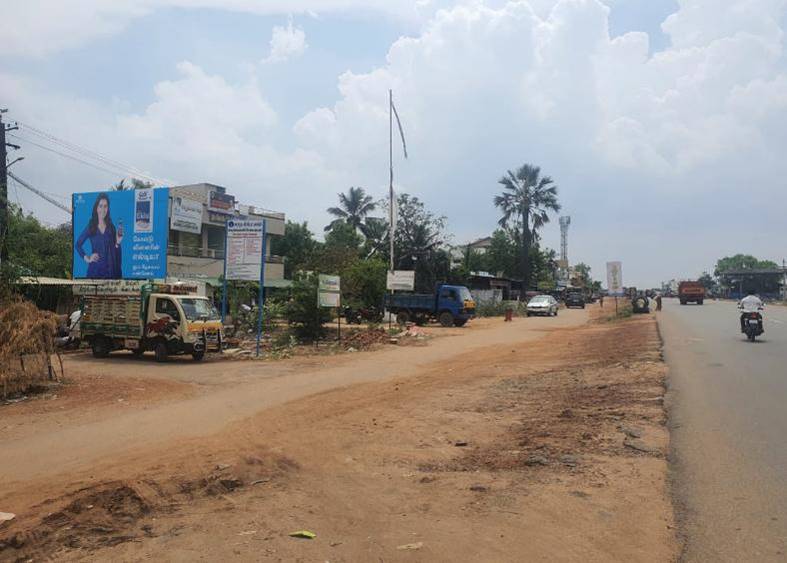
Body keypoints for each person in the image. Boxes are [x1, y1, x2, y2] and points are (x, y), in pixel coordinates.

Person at [75, 193, 123, 279]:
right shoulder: (91, 226)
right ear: (96, 208)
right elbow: (78, 245)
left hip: (109, 274)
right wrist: (87, 258)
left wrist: (118, 243)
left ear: (108, 209)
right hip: (94, 272)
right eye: (100, 206)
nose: (103, 209)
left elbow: (116, 255)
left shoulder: (111, 227)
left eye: (105, 206)